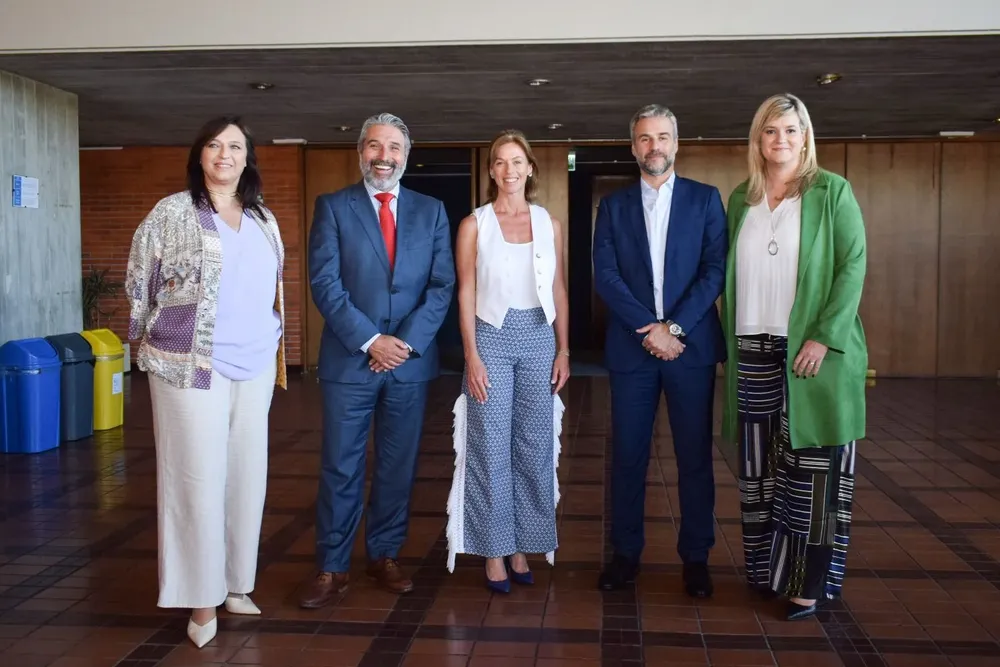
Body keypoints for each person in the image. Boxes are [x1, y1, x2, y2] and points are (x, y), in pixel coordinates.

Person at [125, 116, 287, 648]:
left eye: (236, 146)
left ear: (248, 157)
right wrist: (144, 342)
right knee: (195, 478)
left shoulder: (263, 216)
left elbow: (272, 286)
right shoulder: (172, 212)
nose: (225, 154)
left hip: (255, 363)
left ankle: (236, 583)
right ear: (200, 155)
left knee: (246, 474)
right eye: (216, 145)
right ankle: (200, 598)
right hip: (189, 365)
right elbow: (138, 284)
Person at [300, 113, 456, 608]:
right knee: (341, 466)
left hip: (408, 364)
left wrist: (403, 344)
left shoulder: (431, 211)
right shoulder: (333, 207)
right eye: (373, 146)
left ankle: (385, 554)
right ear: (360, 153)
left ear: (406, 154)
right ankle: (331, 566)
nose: (383, 156)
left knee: (397, 465)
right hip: (351, 361)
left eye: (392, 147)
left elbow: (441, 285)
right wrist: (371, 340)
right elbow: (325, 283)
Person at [721, 93, 867, 621]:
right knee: (759, 471)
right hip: (752, 350)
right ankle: (767, 575)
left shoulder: (832, 192)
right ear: (758, 140)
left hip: (810, 354)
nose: (779, 140)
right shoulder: (742, 198)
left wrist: (823, 336)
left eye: (790, 130)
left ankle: (808, 586)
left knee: (814, 471)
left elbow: (852, 266)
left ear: (805, 136)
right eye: (770, 131)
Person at [593, 104, 727, 597]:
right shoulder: (614, 206)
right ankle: (625, 554)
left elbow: (714, 271)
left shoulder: (706, 200)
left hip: (689, 350)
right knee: (627, 457)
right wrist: (649, 329)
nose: (655, 146)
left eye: (663, 137)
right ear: (634, 147)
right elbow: (605, 275)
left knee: (694, 458)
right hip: (632, 351)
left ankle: (696, 557)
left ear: (677, 142)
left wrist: (672, 327)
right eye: (645, 139)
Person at [446, 130, 570, 592]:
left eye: (518, 161)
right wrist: (472, 355)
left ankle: (522, 544)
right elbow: (466, 291)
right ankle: (494, 551)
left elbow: (558, 289)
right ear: (492, 170)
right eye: (500, 162)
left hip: (540, 338)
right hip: (491, 339)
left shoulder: (547, 222)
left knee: (534, 448)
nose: (509, 170)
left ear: (530, 168)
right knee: (490, 447)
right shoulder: (474, 224)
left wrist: (563, 348)